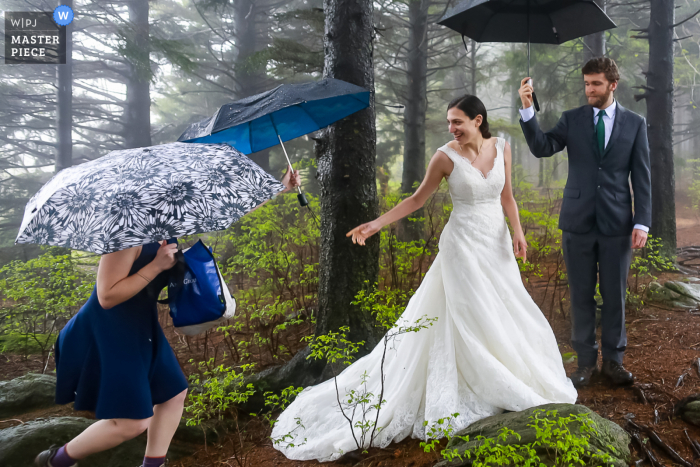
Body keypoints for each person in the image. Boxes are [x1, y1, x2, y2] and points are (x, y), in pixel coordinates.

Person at [270, 95, 577, 462]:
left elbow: (507, 196)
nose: (452, 129)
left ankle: (506, 373)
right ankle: (474, 381)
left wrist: (519, 232)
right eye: (449, 122)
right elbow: (417, 200)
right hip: (462, 245)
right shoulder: (445, 157)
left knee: (506, 308)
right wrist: (376, 224)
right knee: (469, 312)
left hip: (495, 243)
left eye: (458, 122)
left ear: (478, 121)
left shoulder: (502, 148)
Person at [35, 168, 300, 467]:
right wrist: (157, 266)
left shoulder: (162, 224)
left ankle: (153, 464)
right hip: (108, 329)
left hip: (140, 325)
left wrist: (279, 189)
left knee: (174, 394)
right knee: (131, 423)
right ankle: (54, 461)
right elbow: (106, 297)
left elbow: (223, 213)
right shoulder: (126, 236)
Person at [518, 57, 651, 388]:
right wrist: (527, 110)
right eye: (586, 84)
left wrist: (642, 221)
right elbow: (541, 147)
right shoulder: (572, 120)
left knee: (614, 294)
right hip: (577, 222)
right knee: (580, 295)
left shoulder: (635, 123)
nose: (589, 90)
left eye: (595, 84)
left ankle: (614, 363)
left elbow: (643, 176)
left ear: (612, 85)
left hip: (618, 223)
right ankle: (585, 363)